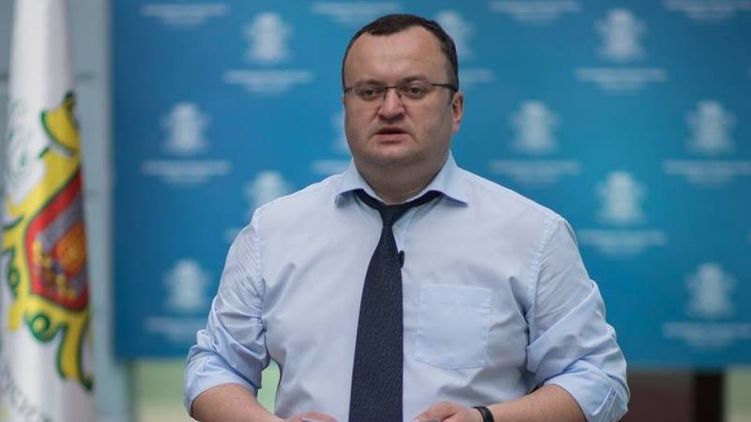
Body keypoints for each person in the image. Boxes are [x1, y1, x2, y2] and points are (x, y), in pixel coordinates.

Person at [184, 14, 629, 422]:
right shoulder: (274, 231)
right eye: (369, 92)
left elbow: (598, 378)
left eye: (414, 90)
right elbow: (214, 366)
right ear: (346, 106)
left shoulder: (532, 234)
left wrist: (487, 420)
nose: (390, 108)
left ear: (455, 109)